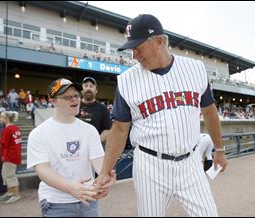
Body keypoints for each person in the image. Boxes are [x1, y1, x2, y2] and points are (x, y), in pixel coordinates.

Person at [95, 14, 227, 217]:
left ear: (158, 41)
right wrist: (105, 171)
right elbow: (120, 129)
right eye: (131, 49)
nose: (134, 56)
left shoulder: (195, 69)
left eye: (138, 48)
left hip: (190, 161)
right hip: (150, 165)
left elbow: (209, 111)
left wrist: (219, 148)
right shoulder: (126, 81)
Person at [26, 78, 115, 217]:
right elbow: (42, 170)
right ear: (53, 101)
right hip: (56, 203)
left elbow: (98, 160)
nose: (74, 100)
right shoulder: (38, 133)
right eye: (68, 97)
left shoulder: (89, 130)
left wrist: (104, 177)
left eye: (76, 95)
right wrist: (71, 188)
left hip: (88, 200)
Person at [0, 111, 22, 204]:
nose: (0, 118)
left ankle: (16, 195)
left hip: (9, 156)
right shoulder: (15, 127)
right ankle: (10, 192)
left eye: (2, 117)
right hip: (13, 155)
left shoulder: (7, 130)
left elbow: (1, 144)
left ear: (6, 118)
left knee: (10, 176)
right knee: (5, 174)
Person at [77, 77, 112, 145]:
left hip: (94, 149)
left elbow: (107, 130)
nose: (88, 88)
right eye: (86, 86)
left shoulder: (103, 109)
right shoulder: (74, 106)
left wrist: (95, 142)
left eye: (91, 86)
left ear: (96, 91)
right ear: (81, 90)